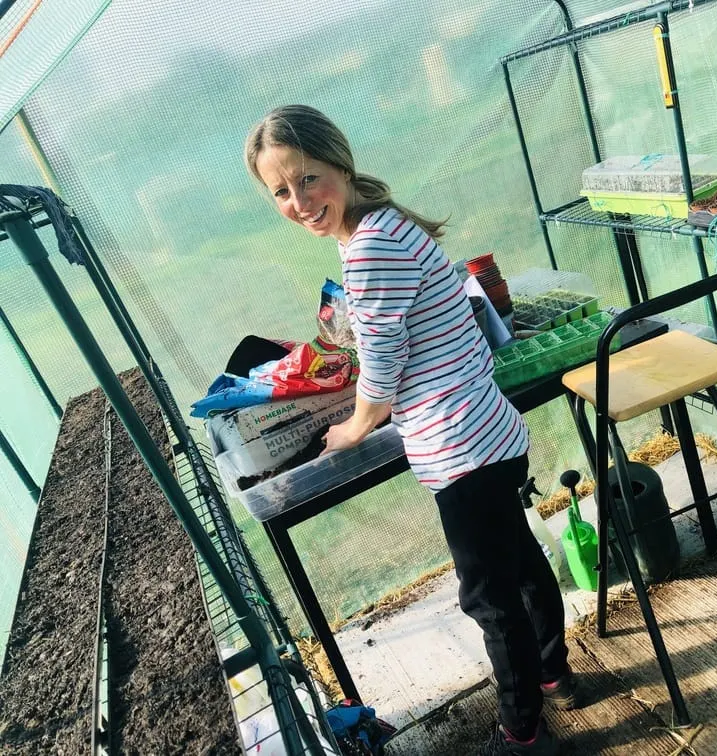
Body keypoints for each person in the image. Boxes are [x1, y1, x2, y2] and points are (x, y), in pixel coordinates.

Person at [245, 105, 578, 755]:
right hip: (489, 434)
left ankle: (522, 730)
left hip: (461, 450)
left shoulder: (369, 247)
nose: (299, 200)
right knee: (521, 565)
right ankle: (553, 670)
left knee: (488, 600)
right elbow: (396, 334)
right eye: (281, 191)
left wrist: (351, 429)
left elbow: (385, 372)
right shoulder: (381, 223)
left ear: (337, 162)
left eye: (308, 179)